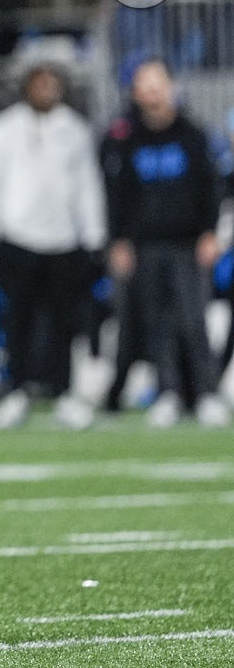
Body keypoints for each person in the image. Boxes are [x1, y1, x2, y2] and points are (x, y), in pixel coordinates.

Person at [0, 65, 107, 428]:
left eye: (53, 83)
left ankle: (64, 393)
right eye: (40, 83)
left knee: (65, 322)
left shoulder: (75, 129)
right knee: (18, 323)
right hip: (17, 238)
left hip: (65, 240)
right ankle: (16, 391)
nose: (47, 90)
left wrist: (94, 235)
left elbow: (88, 185)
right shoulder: (2, 128)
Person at [105, 59, 230, 428]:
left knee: (193, 320)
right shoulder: (127, 139)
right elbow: (118, 194)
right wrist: (119, 240)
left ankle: (205, 393)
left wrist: (211, 232)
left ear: (171, 87)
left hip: (187, 242)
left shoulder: (193, 134)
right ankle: (168, 392)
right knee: (156, 323)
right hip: (146, 244)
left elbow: (212, 189)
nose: (151, 92)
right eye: (144, 84)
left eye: (157, 83)